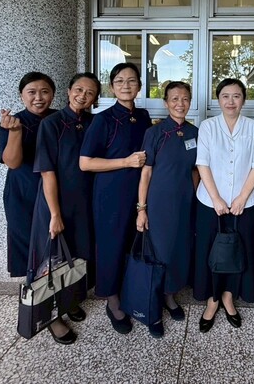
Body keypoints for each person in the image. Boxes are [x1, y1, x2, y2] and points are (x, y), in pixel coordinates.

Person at [29, 72, 101, 345]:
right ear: (69, 91)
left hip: (84, 204)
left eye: (90, 92)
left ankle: (70, 302)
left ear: (95, 99)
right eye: (79, 89)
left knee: (77, 256)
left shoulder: (93, 123)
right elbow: (47, 172)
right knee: (50, 260)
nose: (83, 95)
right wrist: (55, 214)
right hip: (55, 204)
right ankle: (50, 317)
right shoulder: (52, 123)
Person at [79, 62, 151, 335]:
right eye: (120, 81)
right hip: (110, 193)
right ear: (111, 87)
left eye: (131, 81)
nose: (126, 85)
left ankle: (129, 290)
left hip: (139, 192)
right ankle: (112, 300)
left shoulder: (142, 116)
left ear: (139, 86)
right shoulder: (103, 119)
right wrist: (125, 161)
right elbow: (86, 163)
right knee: (111, 246)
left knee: (132, 244)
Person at [194, 78, 254, 333]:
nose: (231, 101)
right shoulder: (208, 126)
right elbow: (202, 163)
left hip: (244, 204)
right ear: (218, 99)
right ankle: (212, 300)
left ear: (243, 100)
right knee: (210, 250)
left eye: (236, 96)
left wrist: (242, 198)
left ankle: (228, 297)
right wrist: (216, 199)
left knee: (239, 251)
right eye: (225, 96)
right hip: (209, 202)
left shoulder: (253, 127)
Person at [136, 81, 199, 338]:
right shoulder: (155, 132)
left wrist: (197, 198)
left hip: (186, 203)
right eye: (174, 99)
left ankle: (170, 296)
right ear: (165, 102)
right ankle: (153, 308)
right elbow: (146, 172)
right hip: (159, 204)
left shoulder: (195, 132)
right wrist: (141, 209)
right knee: (159, 253)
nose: (180, 104)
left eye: (185, 99)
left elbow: (196, 170)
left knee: (178, 250)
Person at [0, 72, 56, 278]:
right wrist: (15, 132)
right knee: (26, 243)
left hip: (55, 190)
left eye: (44, 92)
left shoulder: (60, 118)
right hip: (23, 191)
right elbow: (12, 162)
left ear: (53, 94)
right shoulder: (12, 122)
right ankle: (33, 290)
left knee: (55, 242)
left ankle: (61, 291)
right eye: (31, 92)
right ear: (21, 95)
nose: (38, 98)